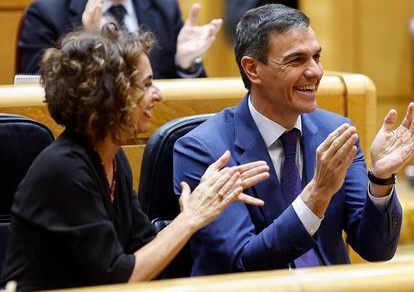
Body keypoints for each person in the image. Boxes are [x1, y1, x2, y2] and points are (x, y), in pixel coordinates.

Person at [0, 24, 269, 291]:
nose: (158, 95)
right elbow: (118, 277)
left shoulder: (113, 159)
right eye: (147, 84)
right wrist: (191, 217)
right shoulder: (64, 170)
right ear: (110, 95)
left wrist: (208, 204)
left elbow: (145, 250)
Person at [173, 4, 411, 275]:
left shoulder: (337, 131)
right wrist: (317, 194)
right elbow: (242, 263)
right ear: (252, 69)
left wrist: (380, 179)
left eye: (316, 57)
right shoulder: (203, 149)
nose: (315, 72)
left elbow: (376, 250)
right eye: (296, 60)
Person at [17, 0, 222, 79]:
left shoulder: (164, 6)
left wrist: (185, 64)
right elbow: (41, 88)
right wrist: (90, 44)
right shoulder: (47, 13)